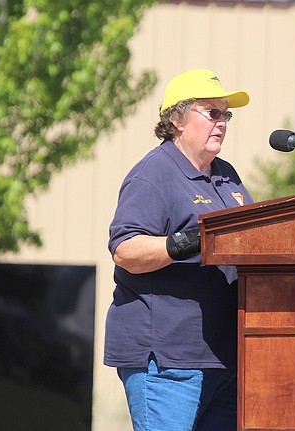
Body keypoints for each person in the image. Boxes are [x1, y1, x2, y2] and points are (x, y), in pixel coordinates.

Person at [104, 69, 253, 431]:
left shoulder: (227, 175)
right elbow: (125, 249)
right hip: (167, 361)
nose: (221, 123)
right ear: (176, 119)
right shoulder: (154, 174)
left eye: (226, 115)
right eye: (212, 113)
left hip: (225, 358)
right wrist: (182, 243)